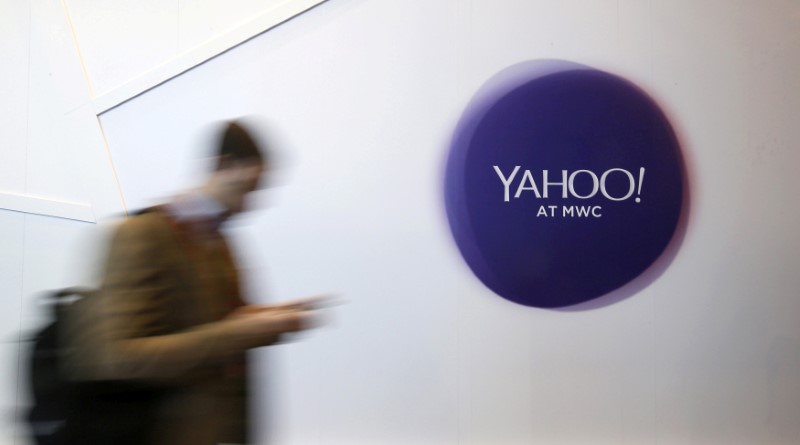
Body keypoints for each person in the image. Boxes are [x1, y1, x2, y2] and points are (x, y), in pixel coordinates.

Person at [63, 121, 323, 445]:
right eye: (247, 188)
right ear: (225, 165)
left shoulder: (219, 241)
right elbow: (116, 356)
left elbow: (218, 321)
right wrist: (238, 333)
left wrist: (267, 319)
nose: (250, 204)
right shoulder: (140, 236)